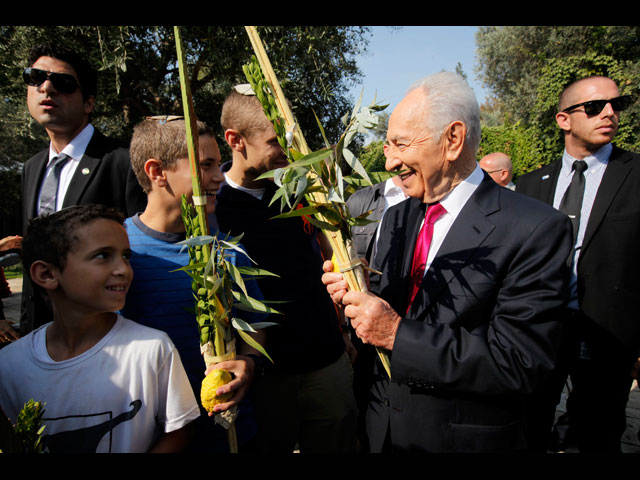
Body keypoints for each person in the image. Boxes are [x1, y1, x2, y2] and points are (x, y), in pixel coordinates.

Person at [322, 71, 572, 453]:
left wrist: (395, 333)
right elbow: (390, 315)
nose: (389, 163)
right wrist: (360, 295)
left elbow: (519, 362)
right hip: (381, 434)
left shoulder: (535, 229)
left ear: (452, 139)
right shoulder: (396, 217)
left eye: (400, 144)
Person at [215, 86, 358, 453]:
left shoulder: (305, 189)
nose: (288, 151)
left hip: (326, 361)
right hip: (265, 377)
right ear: (236, 140)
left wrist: (342, 328)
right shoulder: (212, 206)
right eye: (276, 141)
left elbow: (331, 259)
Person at [0, 204, 200, 453]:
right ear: (46, 274)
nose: (123, 269)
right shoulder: (9, 365)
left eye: (126, 256)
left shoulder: (152, 348)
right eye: (103, 255)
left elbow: (181, 430)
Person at [120, 115, 266, 453]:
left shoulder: (227, 251)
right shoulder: (119, 252)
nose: (219, 176)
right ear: (157, 172)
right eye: (206, 165)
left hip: (229, 435)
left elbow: (255, 325)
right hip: (151, 437)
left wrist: (249, 363)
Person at [516, 75, 640, 452]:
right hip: (538, 330)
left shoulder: (635, 175)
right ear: (563, 120)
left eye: (616, 105)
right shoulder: (531, 185)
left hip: (609, 333)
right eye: (594, 106)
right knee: (527, 425)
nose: (609, 113)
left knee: (598, 433)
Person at [20, 41, 147, 336]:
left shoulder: (122, 162)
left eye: (63, 83)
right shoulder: (32, 167)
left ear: (88, 102)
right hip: (40, 337)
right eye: (35, 78)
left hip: (103, 338)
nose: (46, 89)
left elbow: (138, 253)